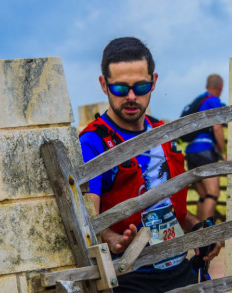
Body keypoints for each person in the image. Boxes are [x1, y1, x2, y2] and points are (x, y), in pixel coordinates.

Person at [79, 37, 222, 292]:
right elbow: (90, 219)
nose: (131, 97)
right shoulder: (94, 142)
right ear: (104, 84)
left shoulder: (163, 133)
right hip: (129, 277)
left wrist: (197, 229)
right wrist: (114, 240)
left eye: (141, 87)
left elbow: (169, 208)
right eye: (121, 89)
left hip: (179, 270)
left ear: (154, 82)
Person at [185, 74, 227, 221]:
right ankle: (206, 237)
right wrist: (223, 151)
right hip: (204, 151)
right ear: (221, 88)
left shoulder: (200, 100)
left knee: (203, 196)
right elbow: (217, 128)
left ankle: (199, 232)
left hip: (190, 152)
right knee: (212, 193)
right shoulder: (213, 101)